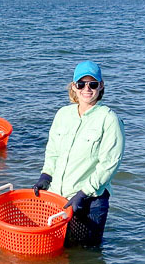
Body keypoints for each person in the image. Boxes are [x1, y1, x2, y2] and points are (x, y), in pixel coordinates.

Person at [32, 61, 125, 247]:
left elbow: (109, 163)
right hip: (57, 200)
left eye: (93, 84)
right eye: (81, 84)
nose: (87, 89)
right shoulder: (63, 114)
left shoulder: (109, 119)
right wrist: (46, 174)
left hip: (90, 202)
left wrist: (84, 193)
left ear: (101, 86)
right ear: (74, 86)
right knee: (58, 251)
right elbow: (53, 151)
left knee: (85, 255)